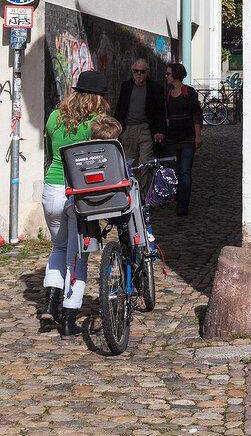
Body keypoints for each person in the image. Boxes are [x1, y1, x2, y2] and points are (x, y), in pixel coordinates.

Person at [41, 70, 110, 338]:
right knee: (78, 258)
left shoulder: (54, 117)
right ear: (100, 98)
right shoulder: (97, 123)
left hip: (52, 190)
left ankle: (49, 308)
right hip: (78, 195)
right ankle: (69, 320)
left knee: (58, 248)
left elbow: (49, 153)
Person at [114, 58, 166, 195]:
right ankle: (134, 194)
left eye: (142, 72)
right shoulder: (126, 86)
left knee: (145, 162)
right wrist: (116, 128)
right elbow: (120, 108)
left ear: (147, 72)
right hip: (128, 129)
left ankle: (146, 195)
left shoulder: (155, 88)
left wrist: (159, 130)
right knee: (131, 164)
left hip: (146, 129)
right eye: (136, 71)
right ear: (132, 72)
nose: (139, 74)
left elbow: (161, 111)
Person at [165, 63, 203, 216]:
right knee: (175, 172)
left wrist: (198, 135)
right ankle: (178, 198)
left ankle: (183, 203)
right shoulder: (168, 93)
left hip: (187, 138)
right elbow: (167, 115)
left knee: (185, 171)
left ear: (176, 75)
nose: (166, 76)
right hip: (173, 138)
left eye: (168, 73)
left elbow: (196, 114)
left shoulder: (189, 92)